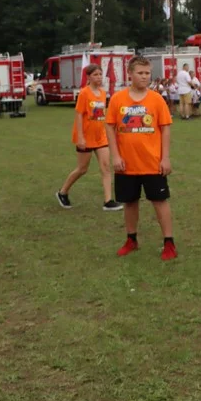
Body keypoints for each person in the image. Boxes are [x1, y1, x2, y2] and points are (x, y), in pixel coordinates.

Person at [105, 57, 177, 261]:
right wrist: (116, 155)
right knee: (129, 202)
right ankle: (131, 239)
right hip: (126, 164)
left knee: (160, 201)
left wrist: (165, 158)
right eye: (140, 73)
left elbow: (165, 128)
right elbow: (110, 127)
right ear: (130, 73)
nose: (145, 77)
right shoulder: (118, 99)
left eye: (147, 73)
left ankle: (169, 242)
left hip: (153, 162)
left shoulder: (156, 99)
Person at [56, 64, 123, 211]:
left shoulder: (103, 93)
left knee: (106, 167)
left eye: (100, 74)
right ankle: (62, 192)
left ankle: (108, 201)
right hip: (86, 137)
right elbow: (79, 115)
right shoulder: (84, 93)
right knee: (82, 169)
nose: (99, 77)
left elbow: (102, 114)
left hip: (101, 137)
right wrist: (80, 137)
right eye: (95, 75)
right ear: (88, 77)